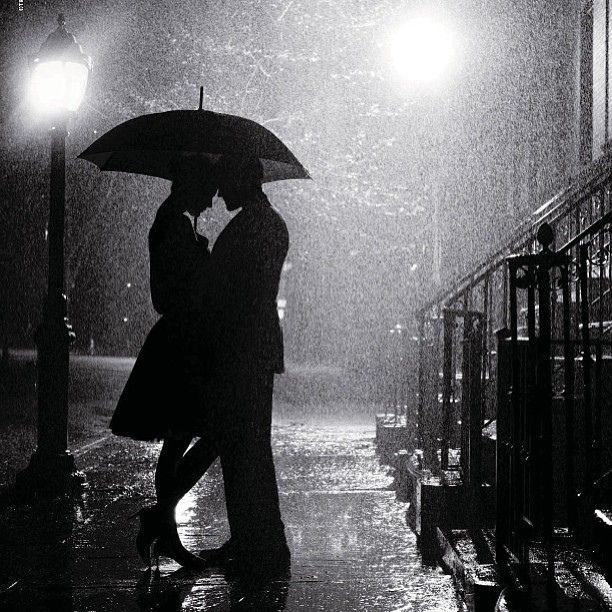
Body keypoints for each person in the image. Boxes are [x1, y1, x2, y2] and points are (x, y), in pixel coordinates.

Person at [109, 157, 219, 569]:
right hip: (181, 346)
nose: (212, 198)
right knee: (197, 434)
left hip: (183, 343)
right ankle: (162, 523)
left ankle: (164, 527)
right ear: (190, 185)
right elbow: (172, 293)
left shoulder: (176, 222)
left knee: (181, 440)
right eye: (207, 188)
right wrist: (202, 263)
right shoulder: (172, 225)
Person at [206, 155, 290, 575]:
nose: (219, 192)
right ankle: (256, 538)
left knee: (246, 447)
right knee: (249, 446)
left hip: (244, 347)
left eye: (226, 182)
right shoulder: (266, 223)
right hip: (253, 345)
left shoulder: (253, 228)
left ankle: (257, 542)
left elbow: (236, 290)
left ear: (245, 180)